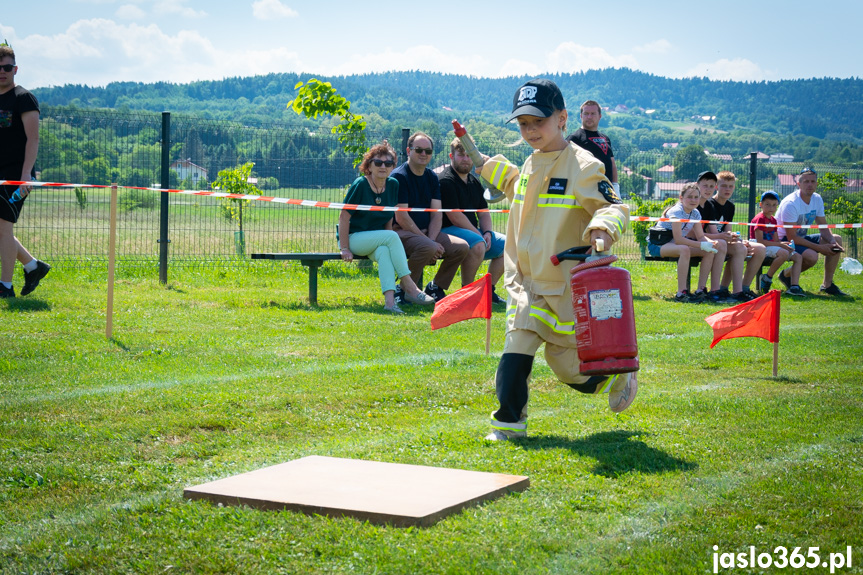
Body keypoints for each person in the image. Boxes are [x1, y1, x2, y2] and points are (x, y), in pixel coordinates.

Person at [476, 79, 636, 441]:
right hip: (524, 283)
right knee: (516, 349)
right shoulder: (532, 162)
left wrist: (602, 229)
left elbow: (614, 207)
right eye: (523, 124)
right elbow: (517, 185)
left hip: (563, 285)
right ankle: (508, 425)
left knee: (567, 367)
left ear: (562, 118)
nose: (531, 130)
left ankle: (614, 375)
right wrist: (481, 162)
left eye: (539, 122)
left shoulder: (583, 165)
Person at [338, 142, 435, 313]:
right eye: (378, 162)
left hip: (378, 239)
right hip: (355, 238)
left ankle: (390, 303)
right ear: (369, 165)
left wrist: (391, 245)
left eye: (388, 163)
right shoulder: (360, 184)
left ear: (393, 166)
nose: (383, 166)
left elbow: (389, 216)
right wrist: (344, 248)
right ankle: (409, 286)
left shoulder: (393, 184)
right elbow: (344, 217)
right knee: (391, 237)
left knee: (384, 251)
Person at [391, 132, 469, 304]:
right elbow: (401, 217)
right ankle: (403, 290)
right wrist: (429, 242)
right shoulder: (399, 177)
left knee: (462, 247)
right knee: (428, 247)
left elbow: (436, 214)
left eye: (428, 151)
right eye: (418, 150)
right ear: (408, 151)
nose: (424, 154)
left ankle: (435, 287)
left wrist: (432, 240)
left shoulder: (432, 177)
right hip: (400, 233)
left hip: (426, 234)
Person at [0, 42, 50, 298]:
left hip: (16, 177)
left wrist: (25, 176)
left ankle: (5, 287)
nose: (2, 72)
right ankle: (33, 266)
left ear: (15, 69)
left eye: (7, 67)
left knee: (3, 228)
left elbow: (34, 139)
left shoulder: (23, 98)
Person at [438, 136, 505, 303]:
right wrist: (478, 234)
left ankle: (488, 290)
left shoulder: (474, 182)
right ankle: (467, 293)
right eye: (461, 155)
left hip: (472, 232)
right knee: (477, 243)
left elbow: (483, 212)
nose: (466, 159)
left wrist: (488, 232)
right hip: (447, 231)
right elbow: (455, 216)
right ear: (451, 156)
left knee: (509, 244)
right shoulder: (446, 180)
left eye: (469, 155)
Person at [647, 182, 726, 302]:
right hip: (658, 245)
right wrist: (701, 245)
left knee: (708, 251)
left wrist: (711, 243)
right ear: (681, 198)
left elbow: (700, 236)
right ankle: (681, 293)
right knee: (684, 249)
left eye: (696, 197)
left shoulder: (695, 213)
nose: (693, 200)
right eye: (689, 197)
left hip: (675, 244)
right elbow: (678, 239)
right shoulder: (676, 211)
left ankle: (700, 290)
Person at [776, 167, 847, 296]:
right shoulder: (791, 203)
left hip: (800, 237)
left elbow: (823, 227)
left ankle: (827, 285)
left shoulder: (817, 199)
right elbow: (792, 237)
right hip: (784, 240)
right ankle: (786, 275)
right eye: (806, 181)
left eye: (812, 181)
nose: (810, 185)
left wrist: (832, 242)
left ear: (817, 184)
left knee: (836, 239)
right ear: (799, 184)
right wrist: (820, 248)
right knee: (812, 257)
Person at [699, 171, 764, 302]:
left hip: (722, 240)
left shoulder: (730, 206)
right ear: (717, 187)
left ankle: (743, 288)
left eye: (731, 186)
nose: (727, 189)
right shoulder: (709, 203)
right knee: (740, 248)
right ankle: (736, 291)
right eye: (724, 186)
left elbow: (728, 231)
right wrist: (734, 241)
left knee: (760, 248)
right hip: (712, 241)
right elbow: (711, 233)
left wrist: (737, 238)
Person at [750, 191, 804, 295]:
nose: (771, 207)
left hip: (772, 246)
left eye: (774, 205)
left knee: (798, 257)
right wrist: (780, 245)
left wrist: (786, 244)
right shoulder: (760, 218)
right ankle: (767, 278)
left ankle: (794, 287)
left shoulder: (774, 220)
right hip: (759, 247)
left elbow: (776, 241)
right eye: (767, 204)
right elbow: (760, 241)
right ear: (761, 205)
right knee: (783, 253)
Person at [566, 99, 618, 196]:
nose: (589, 117)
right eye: (586, 113)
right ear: (581, 116)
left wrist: (616, 186)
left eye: (593, 113)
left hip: (608, 191)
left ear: (600, 116)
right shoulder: (574, 139)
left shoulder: (605, 138)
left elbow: (612, 164)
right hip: (586, 192)